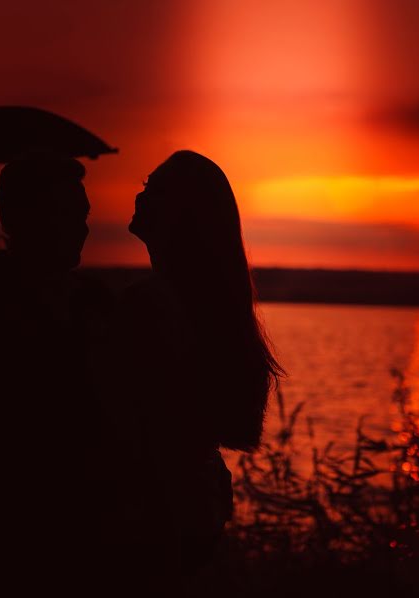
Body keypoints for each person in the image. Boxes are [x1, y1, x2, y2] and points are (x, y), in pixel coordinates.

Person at [0, 157, 115, 595]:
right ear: (24, 217)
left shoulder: (96, 304)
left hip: (80, 533)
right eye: (70, 214)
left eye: (83, 215)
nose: (83, 228)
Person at [108, 150, 284, 588]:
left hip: (154, 513)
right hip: (194, 504)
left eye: (153, 188)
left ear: (179, 212)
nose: (139, 195)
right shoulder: (203, 307)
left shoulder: (148, 306)